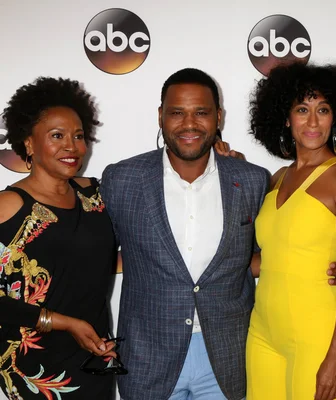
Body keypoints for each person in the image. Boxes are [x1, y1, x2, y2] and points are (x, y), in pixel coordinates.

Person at [100, 68, 269, 400]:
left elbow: (271, 251)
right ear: (161, 116)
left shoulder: (251, 180)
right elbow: (94, 253)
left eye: (201, 112)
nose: (189, 124)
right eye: (177, 113)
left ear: (218, 117)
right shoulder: (122, 179)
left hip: (228, 358)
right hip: (149, 358)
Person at [244, 62, 336, 400]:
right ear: (286, 117)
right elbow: (264, 260)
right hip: (262, 333)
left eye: (323, 110)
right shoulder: (278, 178)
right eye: (302, 109)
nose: (313, 121)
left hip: (319, 338)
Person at [0, 77, 119, 399]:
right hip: (36, 367)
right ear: (28, 143)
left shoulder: (95, 195)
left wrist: (220, 164)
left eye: (79, 136)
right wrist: (64, 323)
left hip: (94, 356)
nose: (72, 146)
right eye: (57, 136)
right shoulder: (8, 207)